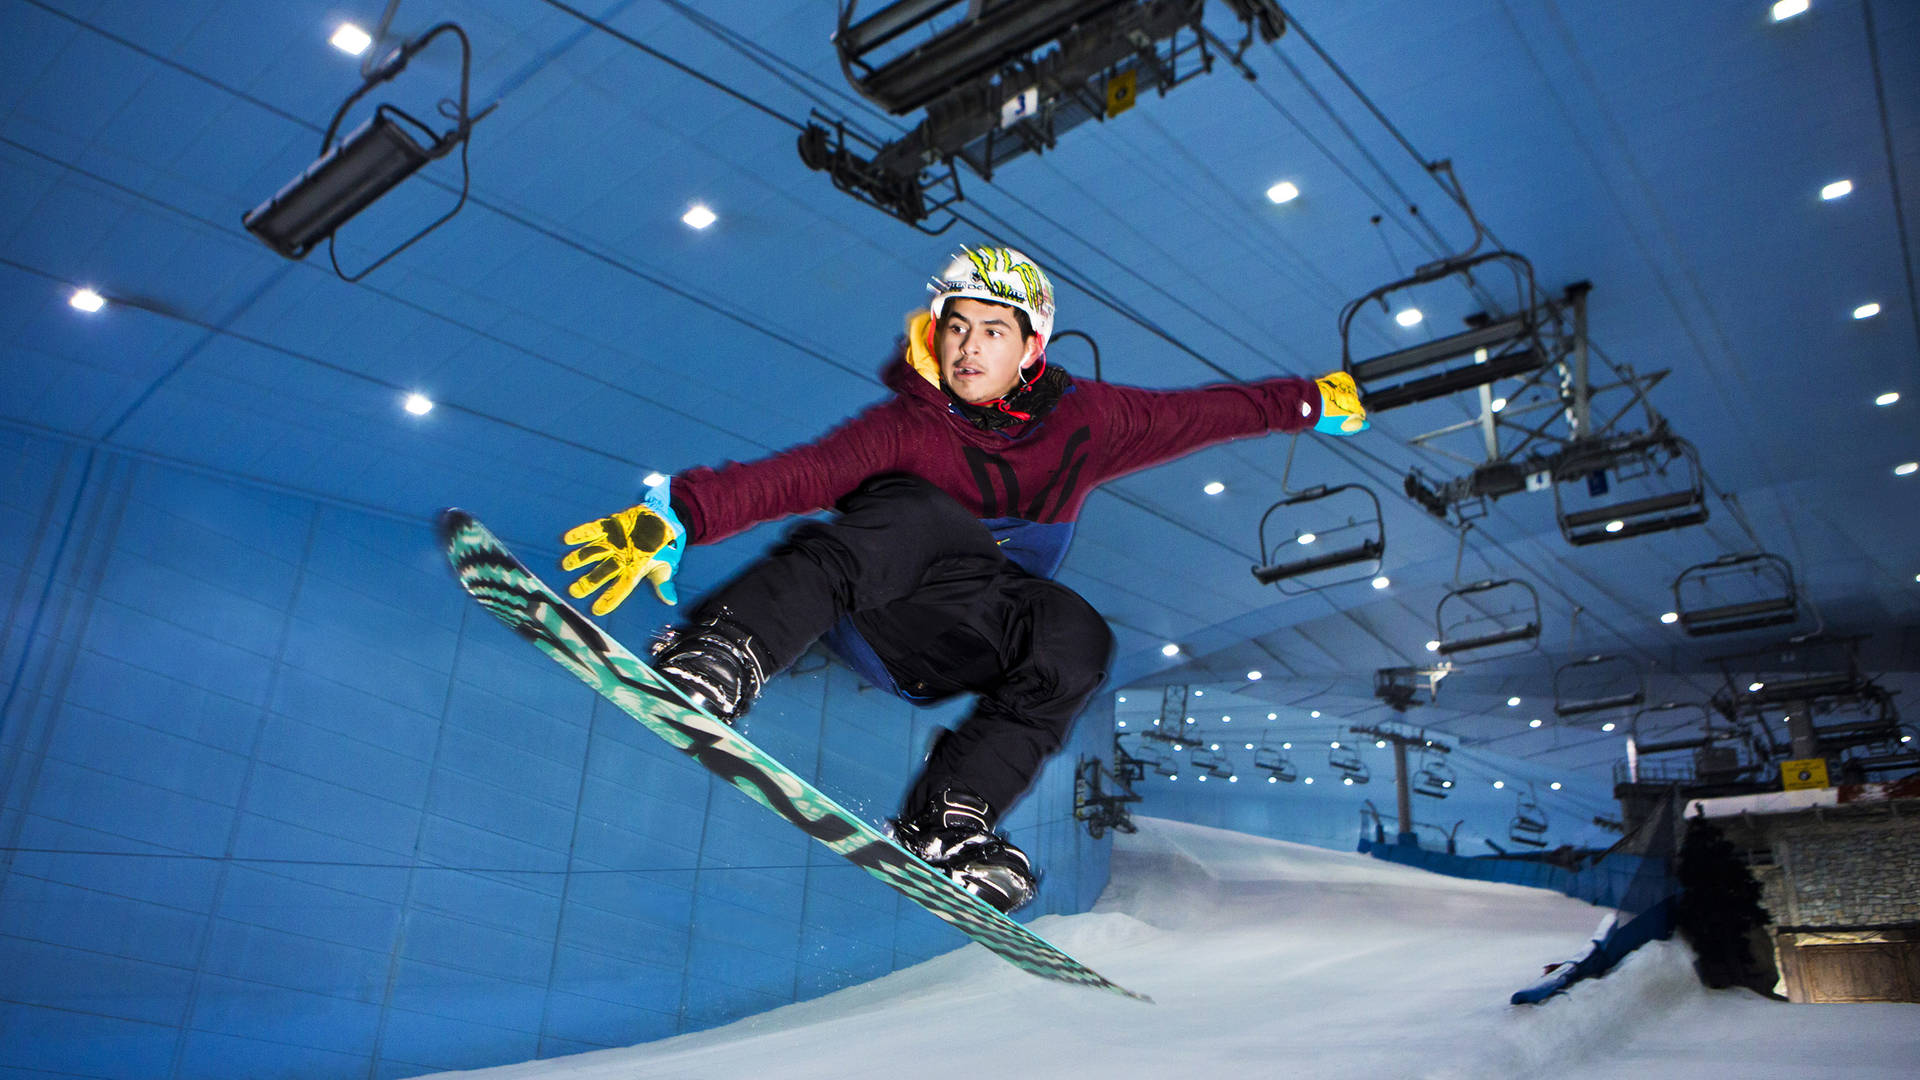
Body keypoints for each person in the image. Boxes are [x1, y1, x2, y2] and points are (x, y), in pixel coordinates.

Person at [560, 246, 1369, 913]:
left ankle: (950, 820)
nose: (968, 349)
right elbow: (801, 475)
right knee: (919, 513)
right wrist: (681, 516)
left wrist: (1309, 403)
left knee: (1079, 633)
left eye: (991, 331)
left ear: (1031, 347)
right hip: (872, 612)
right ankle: (724, 653)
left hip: (959, 648)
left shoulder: (1090, 423)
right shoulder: (909, 424)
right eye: (955, 329)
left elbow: (1207, 414)